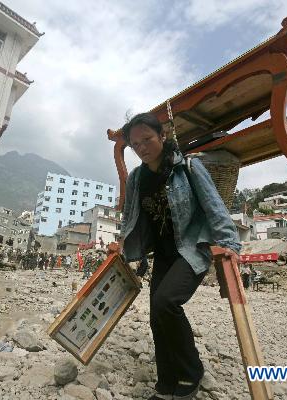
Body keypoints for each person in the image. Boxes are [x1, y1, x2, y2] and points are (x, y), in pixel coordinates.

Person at [118, 113, 240, 400]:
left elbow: (215, 207)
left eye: (147, 139)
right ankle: (165, 384)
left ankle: (191, 372)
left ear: (162, 136)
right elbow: (130, 214)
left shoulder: (188, 167)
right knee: (157, 317)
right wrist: (121, 243)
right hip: (162, 254)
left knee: (166, 302)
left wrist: (231, 246)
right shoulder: (137, 178)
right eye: (135, 145)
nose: (142, 148)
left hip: (191, 250)